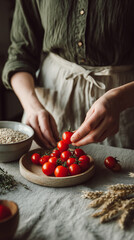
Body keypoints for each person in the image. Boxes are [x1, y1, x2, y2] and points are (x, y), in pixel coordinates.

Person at [2, 0, 134, 149]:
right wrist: (32, 107)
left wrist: (120, 100)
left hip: (125, 105)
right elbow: (20, 55)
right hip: (50, 102)